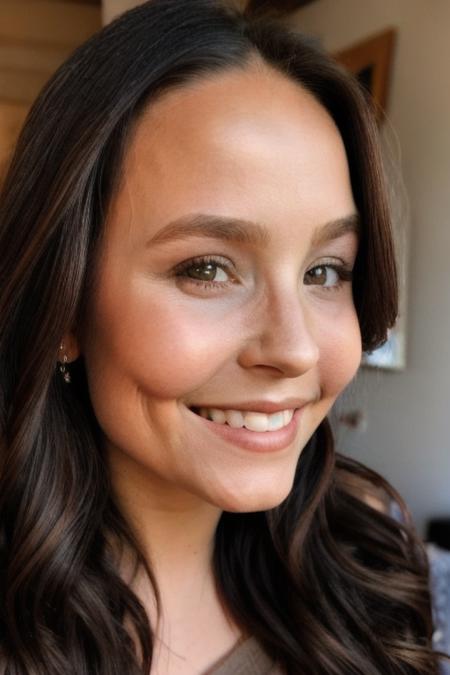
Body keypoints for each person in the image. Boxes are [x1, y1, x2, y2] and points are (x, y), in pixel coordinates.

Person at [0, 1, 441, 673]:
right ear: (64, 308)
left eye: (326, 270)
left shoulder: (374, 582)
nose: (294, 348)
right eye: (206, 268)